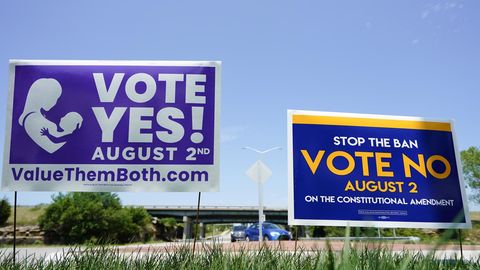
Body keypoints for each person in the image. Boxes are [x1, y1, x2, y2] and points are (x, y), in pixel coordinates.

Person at [19, 78, 82, 153]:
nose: (55, 103)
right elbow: (52, 148)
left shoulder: (40, 116)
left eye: (56, 99)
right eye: (54, 98)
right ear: (42, 96)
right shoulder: (32, 119)